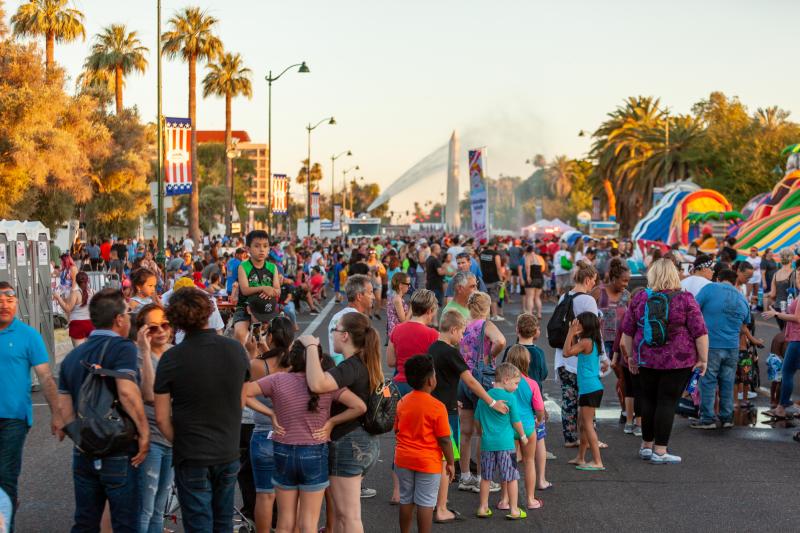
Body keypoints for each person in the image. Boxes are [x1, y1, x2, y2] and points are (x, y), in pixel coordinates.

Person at [154, 287, 250, 530]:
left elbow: (162, 419)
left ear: (176, 320)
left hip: (191, 453)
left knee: (198, 523)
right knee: (223, 521)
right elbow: (242, 400)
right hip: (227, 448)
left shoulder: (171, 358)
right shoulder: (236, 349)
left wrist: (182, 441)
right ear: (209, 312)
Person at [245, 340, 366, 533]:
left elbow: (244, 392)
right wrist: (331, 422)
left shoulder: (277, 379)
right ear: (317, 359)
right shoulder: (326, 383)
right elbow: (359, 406)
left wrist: (271, 414)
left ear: (291, 358)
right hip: (314, 450)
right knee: (308, 522)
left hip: (283, 448)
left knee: (285, 522)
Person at [57, 288, 149, 532]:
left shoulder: (72, 356)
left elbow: (64, 407)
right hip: (119, 448)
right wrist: (144, 432)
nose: (129, 318)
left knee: (86, 522)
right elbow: (128, 393)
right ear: (119, 319)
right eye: (128, 313)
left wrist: (80, 439)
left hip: (84, 451)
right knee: (125, 523)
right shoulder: (123, 348)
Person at [620, 259, 709, 464]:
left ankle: (646, 445)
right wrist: (703, 359)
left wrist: (630, 356)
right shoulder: (685, 299)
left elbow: (627, 331)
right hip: (678, 361)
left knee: (649, 400)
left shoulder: (640, 297)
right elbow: (700, 332)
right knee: (667, 402)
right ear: (674, 274)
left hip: (645, 359)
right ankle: (660, 450)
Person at [305, 312, 383, 532]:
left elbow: (317, 384)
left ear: (346, 336)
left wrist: (311, 347)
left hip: (349, 444)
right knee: (342, 516)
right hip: (364, 441)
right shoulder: (366, 362)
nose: (333, 335)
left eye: (335, 330)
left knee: (349, 517)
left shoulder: (351, 366)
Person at [428, 310, 509, 522]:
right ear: (453, 329)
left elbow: (438, 379)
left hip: (432, 406)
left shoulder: (432, 348)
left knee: (433, 456)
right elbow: (471, 381)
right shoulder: (451, 352)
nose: (463, 336)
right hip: (444, 412)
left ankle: (430, 502)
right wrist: (492, 401)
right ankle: (441, 508)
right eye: (462, 332)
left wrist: (451, 395)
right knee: (446, 460)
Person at [0, 282, 61, 532]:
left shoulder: (29, 336)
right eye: (0, 299)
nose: (4, 304)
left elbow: (46, 377)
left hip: (13, 419)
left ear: (17, 302)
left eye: (9, 299)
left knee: (5, 478)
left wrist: (57, 414)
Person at [395, 355, 455, 533]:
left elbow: (396, 429)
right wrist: (451, 462)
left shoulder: (402, 402)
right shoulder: (437, 407)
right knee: (426, 502)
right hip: (428, 461)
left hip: (404, 458)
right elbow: (444, 439)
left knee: (406, 499)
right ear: (430, 381)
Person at [244, 315, 292, 533]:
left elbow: (244, 394)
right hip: (292, 434)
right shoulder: (296, 363)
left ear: (269, 336)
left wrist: (254, 353)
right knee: (289, 497)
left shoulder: (257, 364)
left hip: (263, 433)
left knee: (264, 495)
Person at [457, 291, 506, 493]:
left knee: (466, 431)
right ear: (486, 307)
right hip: (482, 379)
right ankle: (481, 478)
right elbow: (501, 341)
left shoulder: (464, 325)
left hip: (463, 378)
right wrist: (489, 357)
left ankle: (465, 475)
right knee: (482, 431)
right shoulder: (486, 325)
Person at [553, 262, 603, 448]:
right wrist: (603, 356)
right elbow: (594, 331)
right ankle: (591, 439)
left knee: (568, 399)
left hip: (563, 356)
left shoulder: (564, 296)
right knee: (587, 400)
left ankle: (570, 438)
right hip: (580, 358)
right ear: (588, 279)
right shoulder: (587, 300)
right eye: (594, 281)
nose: (594, 285)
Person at [134, 304, 175, 533]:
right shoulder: (138, 355)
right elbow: (149, 394)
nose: (160, 331)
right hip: (150, 439)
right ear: (142, 331)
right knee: (145, 508)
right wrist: (144, 351)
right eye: (153, 328)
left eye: (165, 325)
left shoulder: (174, 352)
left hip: (173, 437)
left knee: (160, 508)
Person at [474, 363, 528, 520]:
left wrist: (480, 432)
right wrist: (523, 436)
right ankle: (514, 509)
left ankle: (483, 508)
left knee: (486, 477)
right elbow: (516, 421)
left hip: (487, 444)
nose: (517, 387)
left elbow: (477, 420)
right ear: (506, 380)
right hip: (506, 445)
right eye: (516, 383)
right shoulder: (510, 398)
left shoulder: (484, 397)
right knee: (510, 477)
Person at [592, 259, 634, 432]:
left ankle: (625, 410)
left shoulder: (627, 295)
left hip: (620, 343)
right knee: (595, 379)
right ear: (613, 278)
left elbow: (632, 320)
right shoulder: (598, 292)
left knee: (624, 379)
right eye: (623, 281)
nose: (626, 284)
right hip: (599, 343)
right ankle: (591, 415)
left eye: (628, 281)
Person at [503, 345, 550, 500]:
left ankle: (505, 499)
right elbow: (539, 409)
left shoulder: (504, 383)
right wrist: (540, 420)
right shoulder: (532, 384)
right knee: (529, 461)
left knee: (508, 462)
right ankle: (530, 499)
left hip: (508, 427)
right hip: (528, 426)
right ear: (527, 362)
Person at [563, 313, 606, 471]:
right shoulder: (589, 341)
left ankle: (597, 461)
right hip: (590, 388)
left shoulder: (587, 342)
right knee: (582, 424)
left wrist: (570, 332)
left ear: (585, 326)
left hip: (590, 388)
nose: (576, 325)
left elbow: (566, 353)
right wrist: (574, 334)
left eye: (578, 323)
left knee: (588, 425)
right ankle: (580, 457)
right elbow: (573, 350)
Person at [387, 289, 439, 397]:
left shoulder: (396, 330)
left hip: (397, 386)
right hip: (420, 387)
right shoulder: (433, 335)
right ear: (429, 311)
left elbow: (390, 362)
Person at [234, 230, 281, 344]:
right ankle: (244, 359)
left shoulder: (272, 267)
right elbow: (244, 290)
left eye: (265, 246)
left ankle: (272, 359)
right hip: (245, 309)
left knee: (282, 332)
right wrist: (263, 288)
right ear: (248, 249)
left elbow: (277, 290)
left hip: (267, 309)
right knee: (240, 333)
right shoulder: (243, 266)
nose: (262, 249)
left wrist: (271, 291)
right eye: (257, 246)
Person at [763, 278, 800, 419]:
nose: (797, 279)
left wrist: (776, 314)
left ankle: (781, 407)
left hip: (797, 339)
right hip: (796, 338)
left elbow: (797, 318)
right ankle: (782, 406)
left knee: (787, 372)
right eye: (796, 276)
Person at [327, 274, 375, 365]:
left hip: (339, 372)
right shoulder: (358, 320)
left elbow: (335, 354)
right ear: (359, 296)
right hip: (353, 373)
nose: (373, 297)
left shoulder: (337, 317)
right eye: (371, 292)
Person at [53, 271, 94, 347]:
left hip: (77, 325)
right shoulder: (91, 292)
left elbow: (67, 308)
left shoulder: (76, 293)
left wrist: (58, 298)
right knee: (89, 353)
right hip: (89, 324)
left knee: (78, 354)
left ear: (76, 281)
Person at [479, 240, 504, 321]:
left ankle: (487, 316)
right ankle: (495, 315)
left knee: (485, 298)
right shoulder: (495, 254)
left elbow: (479, 265)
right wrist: (501, 279)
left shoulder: (481, 254)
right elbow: (499, 267)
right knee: (493, 297)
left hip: (484, 278)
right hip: (494, 278)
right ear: (494, 246)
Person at [521, 245, 546, 318]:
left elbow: (527, 267)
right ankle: (539, 314)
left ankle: (530, 314)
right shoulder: (540, 257)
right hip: (540, 278)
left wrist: (528, 276)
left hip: (532, 278)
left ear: (527, 251)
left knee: (530, 297)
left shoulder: (528, 257)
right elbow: (543, 268)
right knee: (537, 297)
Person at [387, 272, 410, 340]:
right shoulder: (397, 299)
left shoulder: (396, 297)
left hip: (395, 332)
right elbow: (403, 321)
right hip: (397, 333)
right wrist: (411, 308)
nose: (409, 286)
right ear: (400, 286)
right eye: (408, 284)